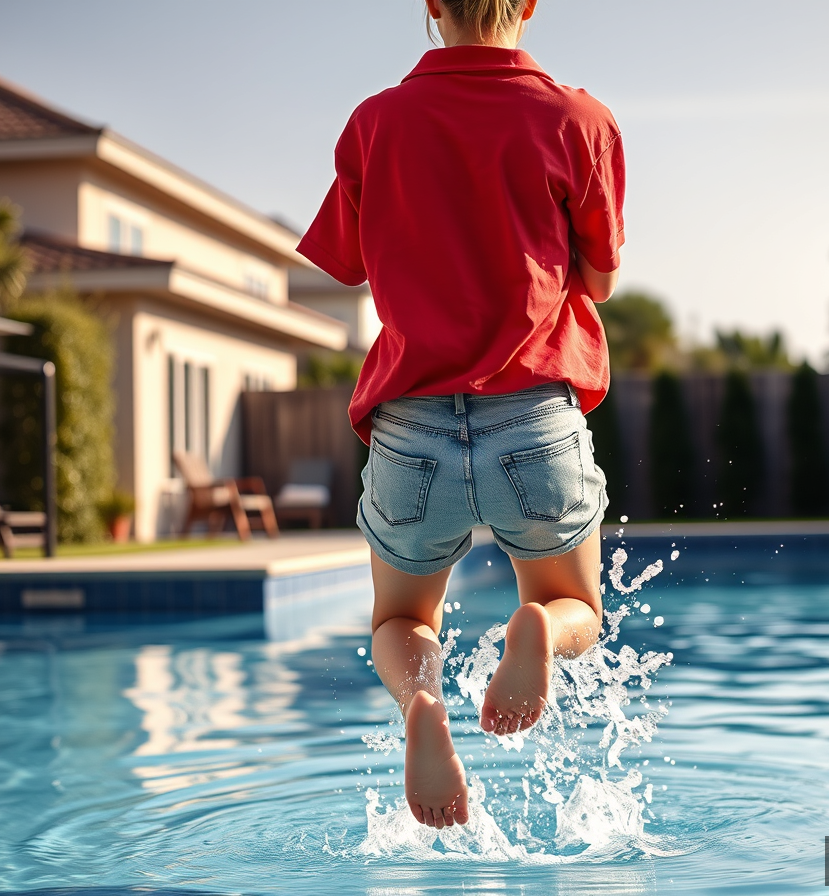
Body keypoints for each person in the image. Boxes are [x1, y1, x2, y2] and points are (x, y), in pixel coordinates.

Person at [297, 0, 624, 830]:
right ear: (529, 4)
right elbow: (601, 277)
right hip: (533, 417)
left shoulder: (376, 122)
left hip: (412, 430)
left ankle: (421, 703)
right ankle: (540, 632)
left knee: (401, 620)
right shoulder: (579, 119)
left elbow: (346, 262)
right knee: (577, 605)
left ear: (431, 8)